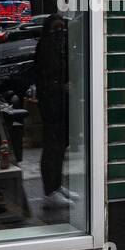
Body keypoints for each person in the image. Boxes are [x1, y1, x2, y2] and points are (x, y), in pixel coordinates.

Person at [34, 14, 71, 214]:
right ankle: (50, 191)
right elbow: (49, 77)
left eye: (62, 29)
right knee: (53, 147)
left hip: (59, 104)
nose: (60, 33)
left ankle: (55, 187)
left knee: (59, 147)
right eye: (56, 29)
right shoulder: (48, 48)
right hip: (52, 104)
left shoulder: (59, 46)